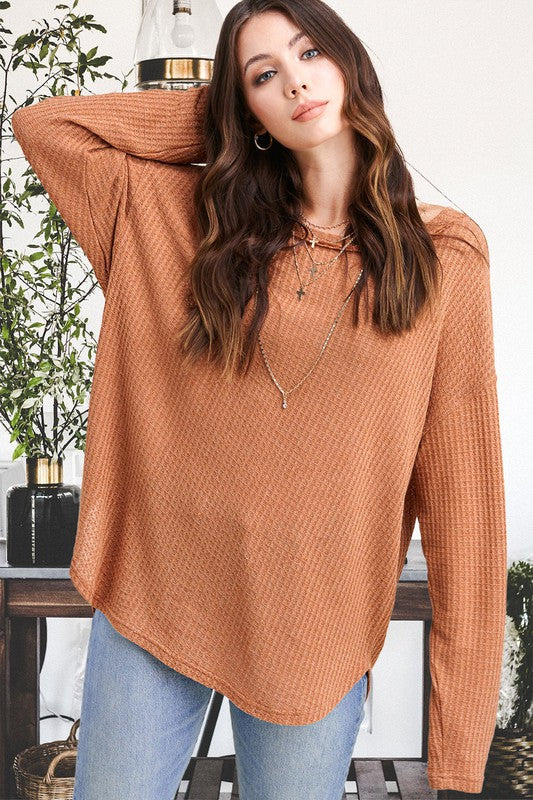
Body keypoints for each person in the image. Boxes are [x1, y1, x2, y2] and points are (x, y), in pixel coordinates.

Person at [11, 1, 507, 798]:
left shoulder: (443, 259)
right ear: (245, 111)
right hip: (160, 593)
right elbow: (48, 127)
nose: (296, 83)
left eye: (309, 53)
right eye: (263, 75)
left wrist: (456, 751)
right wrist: (225, 118)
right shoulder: (187, 224)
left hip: (312, 629)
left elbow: (466, 514)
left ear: (350, 63)